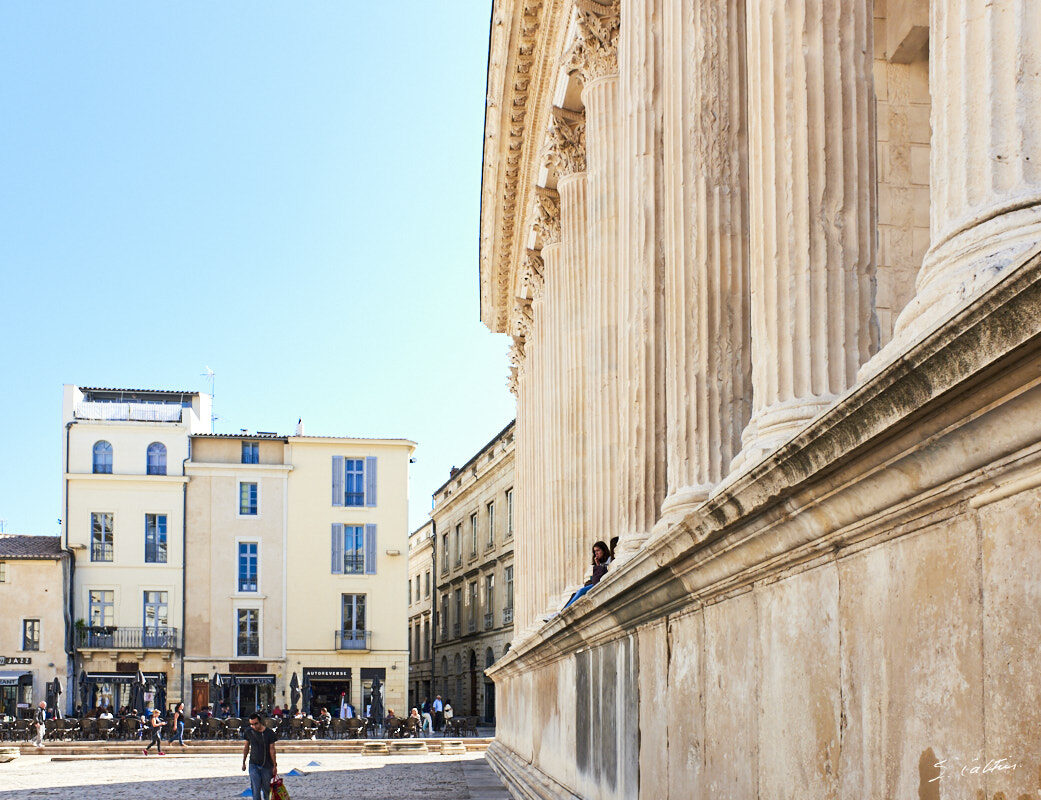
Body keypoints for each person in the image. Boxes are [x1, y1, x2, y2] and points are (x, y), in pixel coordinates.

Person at [560, 541, 611, 612]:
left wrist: (598, 566)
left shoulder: (609, 561)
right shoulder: (600, 563)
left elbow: (596, 581)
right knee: (574, 594)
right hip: (596, 583)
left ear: (604, 550)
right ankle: (561, 611)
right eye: (595, 551)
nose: (596, 553)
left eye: (598, 550)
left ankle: (565, 610)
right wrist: (597, 565)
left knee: (581, 591)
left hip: (601, 583)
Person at [242, 712, 278, 800]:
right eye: (252, 724)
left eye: (256, 724)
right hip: (253, 764)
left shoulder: (269, 733)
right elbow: (246, 747)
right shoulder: (249, 732)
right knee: (255, 788)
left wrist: (274, 765)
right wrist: (243, 762)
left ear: (260, 722)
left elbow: (272, 749)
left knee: (266, 789)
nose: (254, 726)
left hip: (267, 765)